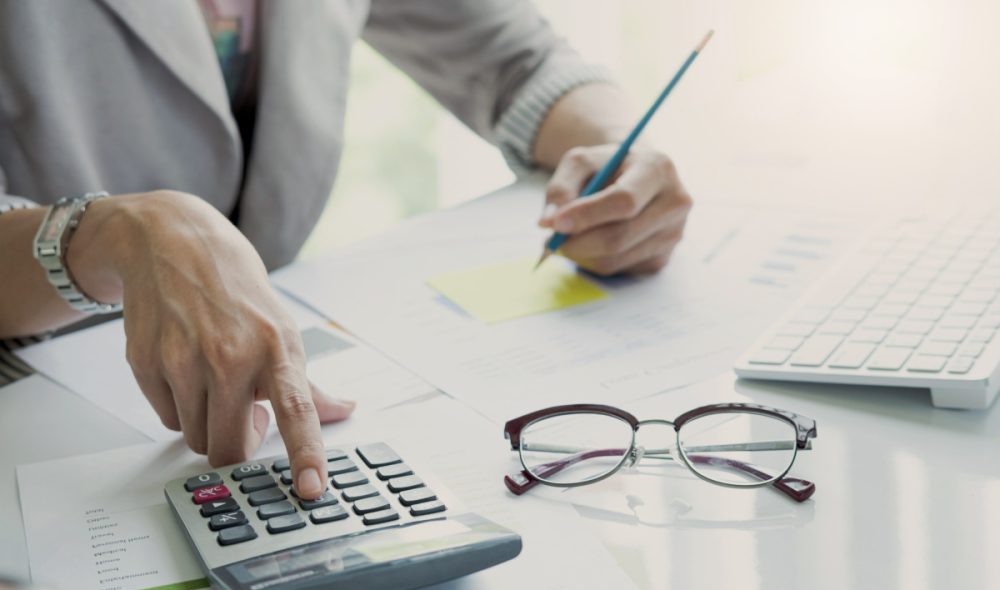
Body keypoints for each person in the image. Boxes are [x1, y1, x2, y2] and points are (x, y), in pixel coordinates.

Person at [0, 0, 692, 501]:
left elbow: (521, 59)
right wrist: (115, 235)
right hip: (29, 416)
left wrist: (619, 152)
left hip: (242, 417)